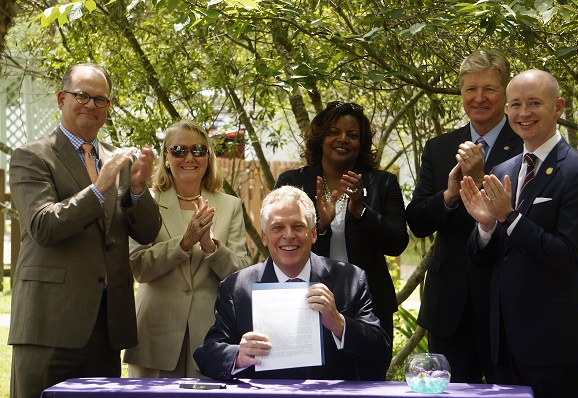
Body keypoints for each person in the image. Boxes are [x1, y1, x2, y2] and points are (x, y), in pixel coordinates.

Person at [8, 63, 161, 398]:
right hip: (49, 323)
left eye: (100, 99)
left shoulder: (118, 160)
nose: (91, 104)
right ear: (62, 99)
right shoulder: (32, 156)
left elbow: (148, 234)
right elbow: (43, 225)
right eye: (82, 96)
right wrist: (99, 188)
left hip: (106, 328)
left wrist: (137, 190)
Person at [459, 69, 578, 398]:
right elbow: (483, 259)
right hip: (503, 341)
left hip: (554, 344)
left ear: (558, 107)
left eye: (534, 103)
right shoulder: (502, 170)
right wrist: (485, 225)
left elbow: (568, 256)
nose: (524, 113)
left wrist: (509, 217)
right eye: (516, 104)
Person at [405, 49, 522, 383]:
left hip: (506, 299)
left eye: (489, 89)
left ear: (505, 94)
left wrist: (483, 176)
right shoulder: (439, 147)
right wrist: (450, 195)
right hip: (450, 304)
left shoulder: (525, 143)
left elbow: (525, 219)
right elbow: (417, 220)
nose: (479, 98)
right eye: (471, 89)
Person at [194, 185, 391, 381]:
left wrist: (339, 324)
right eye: (278, 227)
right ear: (264, 237)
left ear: (313, 234)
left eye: (298, 226)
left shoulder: (351, 279)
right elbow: (207, 354)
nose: (288, 235)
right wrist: (238, 356)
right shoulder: (237, 287)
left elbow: (380, 352)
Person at [123, 120, 250, 377]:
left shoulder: (231, 206)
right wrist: (183, 243)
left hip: (211, 338)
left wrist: (212, 248)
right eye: (179, 150)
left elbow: (242, 276)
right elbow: (137, 267)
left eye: (198, 150)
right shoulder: (146, 201)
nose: (189, 157)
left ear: (208, 157)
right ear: (167, 158)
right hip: (154, 335)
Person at [274, 101, 408, 341]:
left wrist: (361, 211)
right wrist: (320, 228)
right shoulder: (293, 182)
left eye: (352, 135)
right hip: (307, 300)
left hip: (368, 305)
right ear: (321, 138)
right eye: (334, 132)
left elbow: (397, 243)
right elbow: (277, 245)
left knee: (369, 375)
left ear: (362, 142)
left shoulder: (383, 183)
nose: (342, 139)